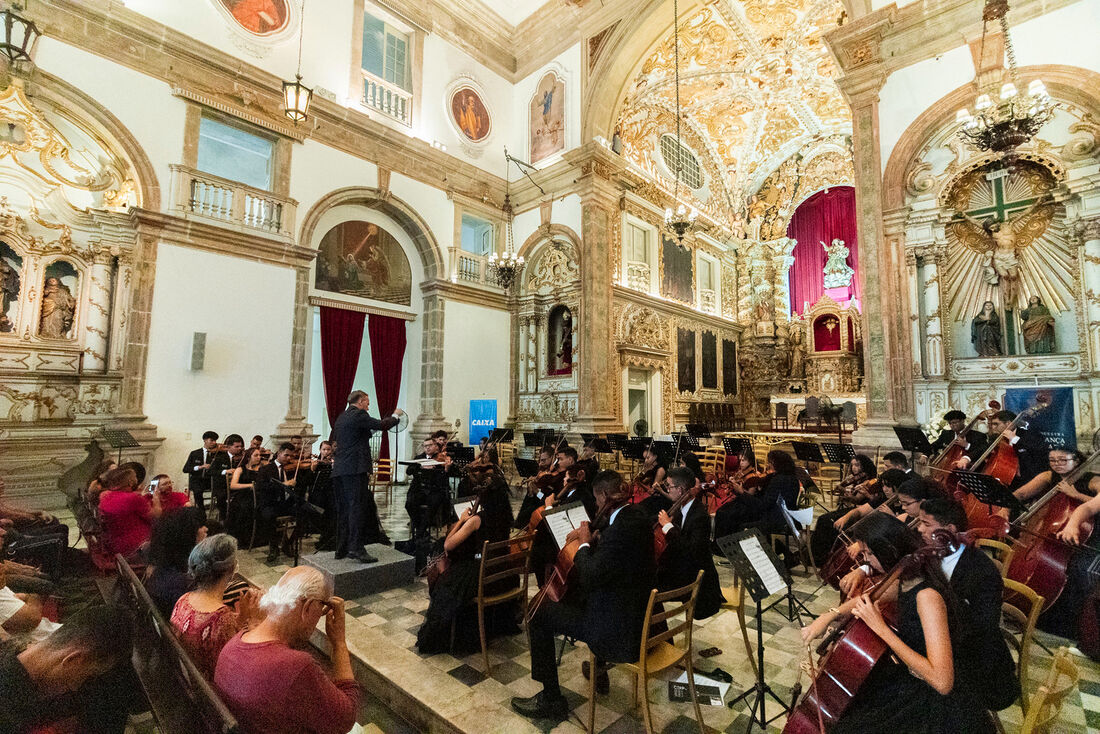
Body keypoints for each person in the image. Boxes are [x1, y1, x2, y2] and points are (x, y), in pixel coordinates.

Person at [800, 513, 992, 733]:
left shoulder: (927, 597)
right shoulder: (906, 580)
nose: (866, 560)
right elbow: (867, 599)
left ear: (888, 551)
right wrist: (829, 616)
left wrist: (881, 629)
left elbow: (943, 682)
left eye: (870, 553)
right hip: (911, 678)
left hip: (934, 705)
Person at [511, 470, 655, 721]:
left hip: (617, 631)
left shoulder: (619, 530)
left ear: (602, 495)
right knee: (571, 598)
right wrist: (599, 536)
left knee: (538, 612)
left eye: (598, 501)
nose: (598, 506)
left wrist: (585, 544)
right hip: (638, 614)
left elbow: (591, 576)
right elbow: (617, 555)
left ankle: (551, 699)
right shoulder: (637, 517)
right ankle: (598, 670)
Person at [214, 567, 359, 734]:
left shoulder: (235, 643)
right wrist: (339, 643)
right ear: (308, 607)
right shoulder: (297, 666)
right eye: (321, 608)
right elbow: (346, 718)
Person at [917, 498, 1020, 712]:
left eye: (926, 524)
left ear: (950, 529)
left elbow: (983, 628)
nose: (919, 529)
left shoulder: (982, 572)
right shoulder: (929, 552)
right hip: (945, 650)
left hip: (974, 666)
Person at [416, 473, 516, 654]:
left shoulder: (477, 520)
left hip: (482, 576)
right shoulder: (505, 516)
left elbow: (448, 544)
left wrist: (462, 520)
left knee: (444, 572)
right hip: (500, 572)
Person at [0, 605, 134, 734]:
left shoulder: (14, 652)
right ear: (73, 660)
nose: (76, 687)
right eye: (85, 676)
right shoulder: (8, 715)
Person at [1014, 448, 1100, 638]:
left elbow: (1091, 506)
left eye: (1062, 459)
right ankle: (1045, 615)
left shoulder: (1091, 479)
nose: (1057, 463)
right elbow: (1021, 494)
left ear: (1076, 460)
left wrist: (1075, 495)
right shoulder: (1048, 475)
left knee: (1079, 568)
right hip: (1061, 531)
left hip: (1092, 533)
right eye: (1052, 460)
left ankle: (1080, 627)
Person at [171, 534, 260, 679]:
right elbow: (239, 666)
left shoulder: (184, 599)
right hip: (209, 687)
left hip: (187, 676)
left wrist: (240, 619)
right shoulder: (221, 618)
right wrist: (256, 623)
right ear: (231, 568)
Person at [331, 390, 402, 563]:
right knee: (356, 508)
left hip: (340, 469)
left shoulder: (342, 417)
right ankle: (356, 548)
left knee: (344, 510)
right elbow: (383, 425)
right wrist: (396, 415)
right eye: (367, 403)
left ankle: (341, 548)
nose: (368, 406)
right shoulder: (358, 414)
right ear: (361, 401)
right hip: (354, 469)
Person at [656, 467, 723, 619]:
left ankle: (657, 633)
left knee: (648, 590)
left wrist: (668, 526)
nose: (667, 490)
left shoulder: (699, 516)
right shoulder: (680, 508)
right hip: (682, 570)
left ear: (680, 490)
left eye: (669, 486)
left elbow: (692, 553)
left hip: (696, 581)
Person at [713, 450, 800, 541]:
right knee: (728, 512)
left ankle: (729, 545)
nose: (768, 465)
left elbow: (762, 505)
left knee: (732, 517)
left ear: (777, 464)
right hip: (781, 514)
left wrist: (742, 492)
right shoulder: (791, 477)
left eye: (770, 463)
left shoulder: (778, 480)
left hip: (776, 519)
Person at [957, 409, 1049, 488]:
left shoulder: (1028, 434)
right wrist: (966, 458)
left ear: (1008, 423)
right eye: (992, 424)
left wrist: (1015, 439)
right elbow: (984, 448)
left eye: (996, 424)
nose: (993, 427)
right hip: (1007, 479)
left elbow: (1039, 450)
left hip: (1029, 479)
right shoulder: (997, 437)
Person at [145, 507, 209, 618]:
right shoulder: (184, 582)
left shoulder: (165, 565)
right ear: (188, 534)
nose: (206, 529)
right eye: (200, 526)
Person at [97, 466, 168, 560]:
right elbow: (156, 516)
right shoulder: (133, 498)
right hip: (137, 548)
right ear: (130, 482)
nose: (137, 479)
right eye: (135, 477)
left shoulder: (104, 496)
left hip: (115, 544)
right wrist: (156, 498)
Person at [403, 437, 456, 545]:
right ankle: (422, 532)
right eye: (425, 446)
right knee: (409, 504)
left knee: (432, 507)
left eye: (430, 445)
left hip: (435, 490)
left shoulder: (442, 459)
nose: (427, 448)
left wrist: (446, 469)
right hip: (420, 489)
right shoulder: (419, 457)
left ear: (436, 446)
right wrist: (420, 467)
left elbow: (444, 479)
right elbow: (409, 471)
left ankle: (420, 534)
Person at [255, 443, 299, 563]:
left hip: (284, 503)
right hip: (269, 503)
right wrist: (284, 485)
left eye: (291, 456)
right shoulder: (265, 469)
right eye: (286, 455)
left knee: (305, 513)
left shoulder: (290, 469)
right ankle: (273, 547)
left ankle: (288, 543)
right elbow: (260, 487)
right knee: (269, 516)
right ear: (279, 453)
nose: (289, 459)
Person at [227, 447, 264, 548]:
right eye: (256, 455)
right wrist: (249, 486)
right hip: (242, 495)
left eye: (260, 455)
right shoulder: (240, 469)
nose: (259, 457)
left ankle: (258, 538)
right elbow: (233, 485)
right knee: (244, 507)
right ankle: (243, 539)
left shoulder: (262, 469)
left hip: (257, 495)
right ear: (248, 457)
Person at [209, 434, 246, 520]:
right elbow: (210, 471)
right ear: (229, 447)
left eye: (241, 446)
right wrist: (225, 471)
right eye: (237, 446)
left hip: (237, 486)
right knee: (221, 498)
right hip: (222, 486)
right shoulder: (220, 457)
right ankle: (224, 519)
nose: (240, 449)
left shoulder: (244, 458)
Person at [183, 431, 219, 513]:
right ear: (205, 440)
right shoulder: (195, 453)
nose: (214, 443)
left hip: (211, 480)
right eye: (212, 440)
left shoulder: (217, 454)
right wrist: (200, 467)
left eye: (215, 441)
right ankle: (201, 512)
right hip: (197, 480)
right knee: (197, 491)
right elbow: (185, 469)